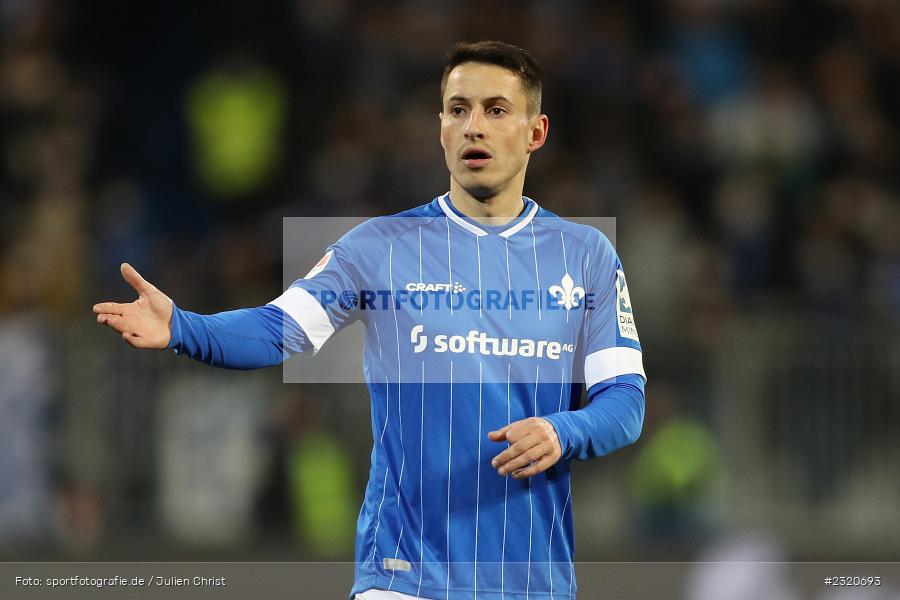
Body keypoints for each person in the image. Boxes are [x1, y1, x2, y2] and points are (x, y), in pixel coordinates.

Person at [93, 41, 646, 600]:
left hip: (533, 582)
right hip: (403, 579)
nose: (473, 126)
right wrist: (183, 328)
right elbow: (275, 328)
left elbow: (625, 401)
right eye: (458, 109)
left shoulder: (586, 255)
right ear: (440, 128)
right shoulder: (379, 246)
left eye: (496, 110)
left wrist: (561, 429)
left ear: (535, 132)